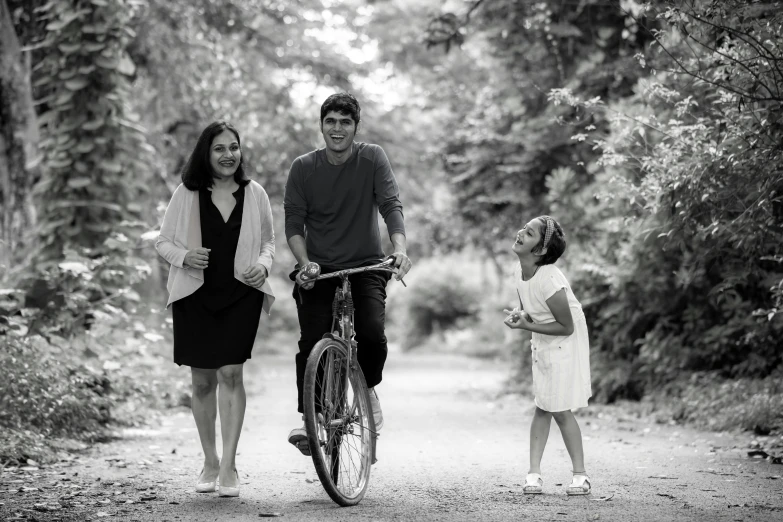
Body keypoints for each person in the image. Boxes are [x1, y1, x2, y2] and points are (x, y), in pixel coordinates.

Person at [283, 93, 412, 455]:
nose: (337, 128)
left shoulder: (371, 157)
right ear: (321, 125)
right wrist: (305, 262)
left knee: (372, 333)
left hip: (366, 265)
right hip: (319, 268)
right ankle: (313, 421)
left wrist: (399, 249)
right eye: (330, 121)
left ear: (356, 127)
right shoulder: (303, 167)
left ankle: (367, 386)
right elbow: (294, 221)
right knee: (311, 344)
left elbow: (390, 205)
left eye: (345, 122)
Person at [155, 121, 275, 498]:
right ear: (206, 154)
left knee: (231, 373)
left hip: (241, 293)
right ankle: (209, 460)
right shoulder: (186, 193)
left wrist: (265, 265)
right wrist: (186, 255)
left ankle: (229, 465)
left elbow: (269, 243)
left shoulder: (255, 194)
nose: (228, 155)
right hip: (196, 295)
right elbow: (163, 242)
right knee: (203, 380)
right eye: (220, 148)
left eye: (234, 147)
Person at [503, 215, 592, 496]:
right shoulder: (519, 271)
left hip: (565, 340)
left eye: (528, 233)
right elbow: (530, 307)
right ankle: (534, 473)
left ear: (540, 250)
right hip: (544, 336)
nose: (520, 232)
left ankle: (580, 476)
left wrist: (527, 325)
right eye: (523, 228)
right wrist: (522, 316)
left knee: (559, 409)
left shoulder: (550, 277)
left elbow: (566, 326)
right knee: (542, 405)